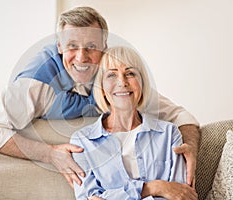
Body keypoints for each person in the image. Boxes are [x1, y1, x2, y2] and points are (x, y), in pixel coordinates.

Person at [0, 6, 200, 188]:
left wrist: (189, 145)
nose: (82, 57)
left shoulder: (116, 77)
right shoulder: (34, 82)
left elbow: (180, 115)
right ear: (59, 46)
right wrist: (50, 154)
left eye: (91, 46)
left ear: (104, 46)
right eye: (72, 46)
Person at [70, 46, 198, 200]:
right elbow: (88, 198)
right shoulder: (82, 142)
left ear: (142, 83)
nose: (122, 82)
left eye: (130, 73)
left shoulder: (169, 134)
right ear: (102, 88)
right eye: (111, 75)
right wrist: (153, 187)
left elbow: (181, 195)